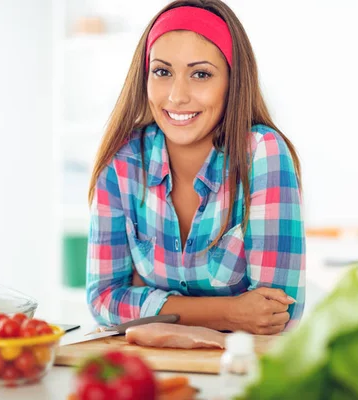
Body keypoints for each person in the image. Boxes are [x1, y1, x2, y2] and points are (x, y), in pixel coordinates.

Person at [86, 0, 305, 335]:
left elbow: (276, 312)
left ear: (233, 82)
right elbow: (104, 300)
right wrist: (230, 313)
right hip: (152, 370)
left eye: (200, 74)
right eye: (162, 72)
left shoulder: (262, 153)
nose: (177, 96)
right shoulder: (122, 163)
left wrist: (151, 303)